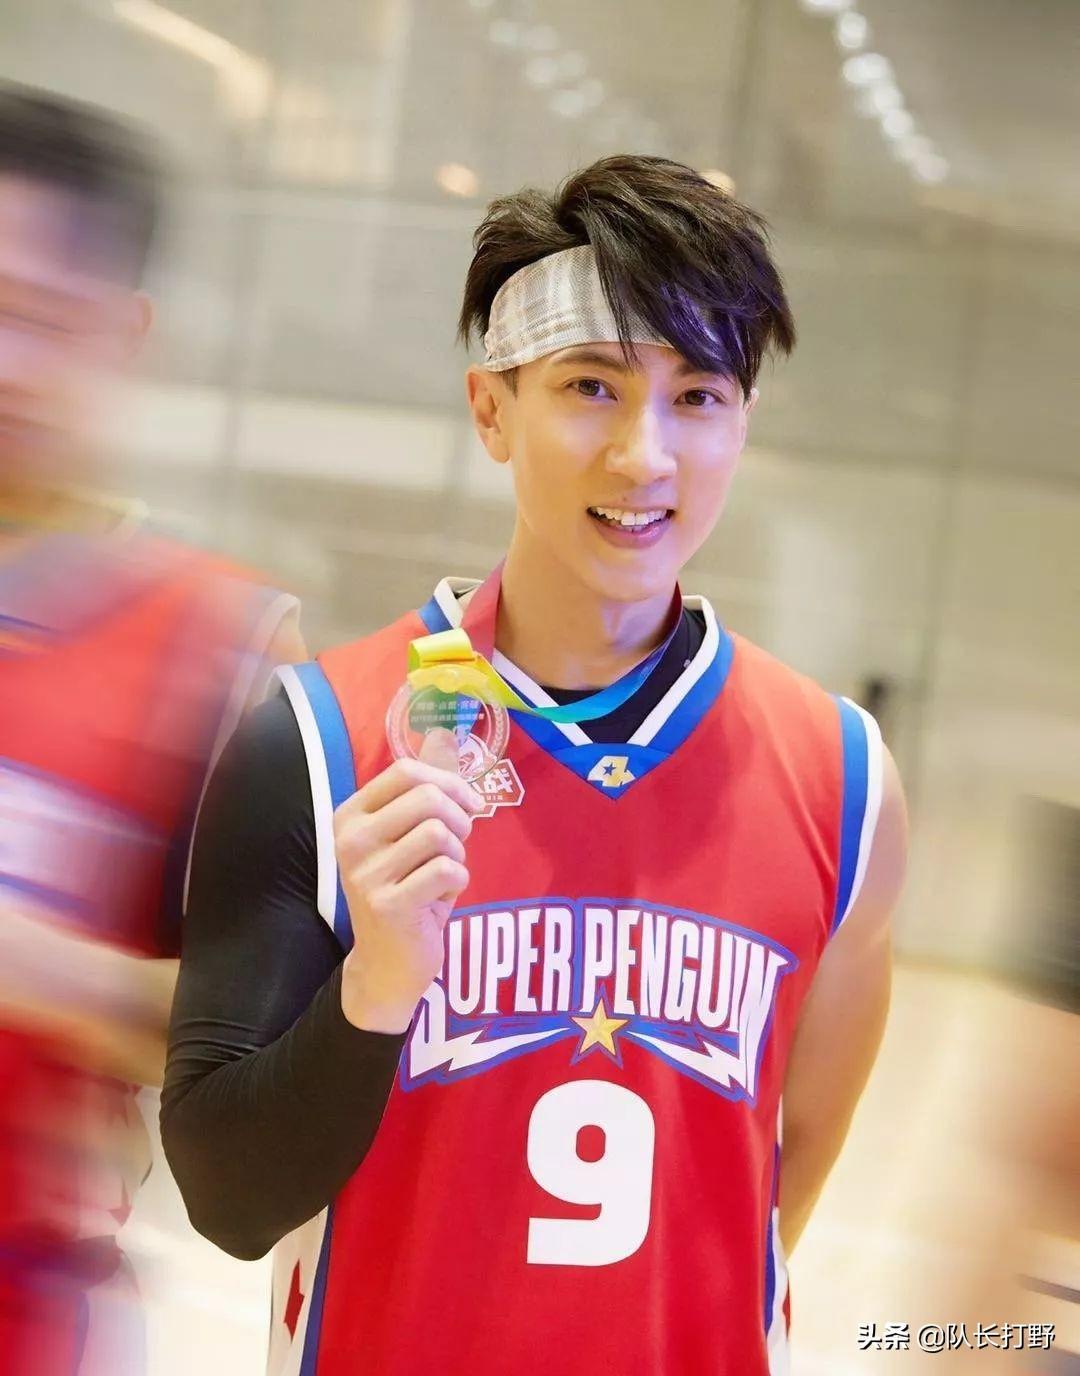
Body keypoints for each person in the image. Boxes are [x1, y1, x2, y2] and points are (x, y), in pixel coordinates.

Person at [163, 154, 907, 1376]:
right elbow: (229, 1201)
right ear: (491, 409)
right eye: (590, 385)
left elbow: (788, 1163)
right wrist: (375, 987)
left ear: (742, 424)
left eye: (698, 395)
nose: (644, 454)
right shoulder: (317, 740)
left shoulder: (843, 776)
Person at [0, 84, 303, 1373]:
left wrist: (42, 970)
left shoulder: (221, 649)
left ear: (122, 333)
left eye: (35, 316)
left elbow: (276, 1042)